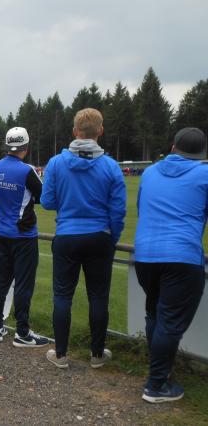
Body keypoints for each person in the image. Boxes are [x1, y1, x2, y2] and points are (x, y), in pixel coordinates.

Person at [41, 108, 126, 369]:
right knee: (98, 296)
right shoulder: (110, 166)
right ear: (100, 131)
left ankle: (62, 354)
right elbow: (118, 211)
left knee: (63, 296)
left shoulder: (56, 163)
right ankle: (97, 355)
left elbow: (46, 201)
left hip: (67, 235)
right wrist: (111, 239)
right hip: (100, 236)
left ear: (75, 131)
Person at [134, 128, 208, 403]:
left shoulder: (151, 172)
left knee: (155, 313)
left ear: (173, 146)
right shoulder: (204, 174)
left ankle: (160, 374)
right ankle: (156, 385)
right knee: (170, 321)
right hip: (182, 256)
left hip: (145, 254)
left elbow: (143, 208)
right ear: (201, 154)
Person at [0, 129, 50, 347]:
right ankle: (22, 333)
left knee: (0, 281)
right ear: (26, 146)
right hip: (23, 235)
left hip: (2, 232)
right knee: (23, 284)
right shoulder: (27, 170)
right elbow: (44, 197)